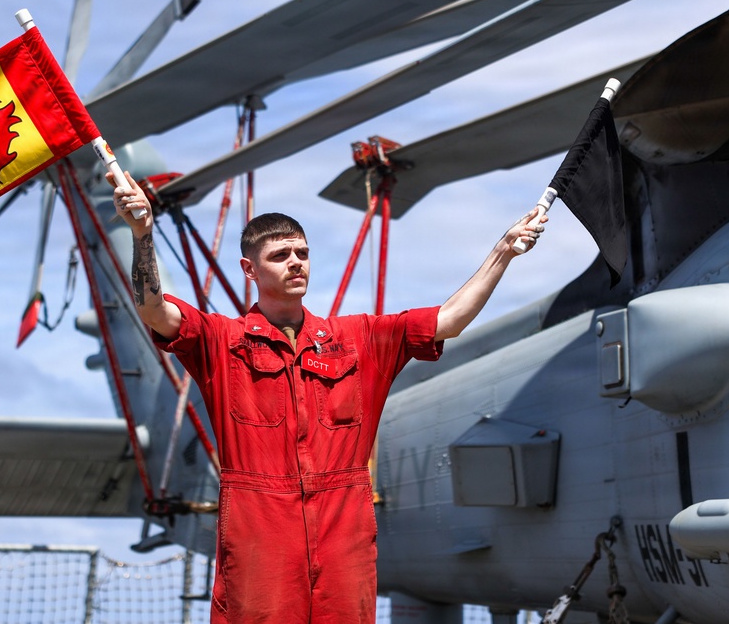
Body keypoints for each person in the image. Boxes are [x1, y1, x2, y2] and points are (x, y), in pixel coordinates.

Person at [109, 171, 545, 623]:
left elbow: (448, 321)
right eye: (280, 255)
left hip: (344, 526)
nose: (296, 262)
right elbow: (154, 310)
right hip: (259, 526)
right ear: (250, 269)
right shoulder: (223, 339)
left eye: (302, 253)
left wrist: (503, 252)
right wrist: (142, 234)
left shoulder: (358, 338)